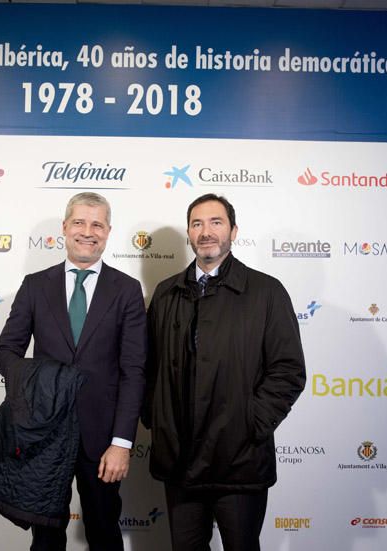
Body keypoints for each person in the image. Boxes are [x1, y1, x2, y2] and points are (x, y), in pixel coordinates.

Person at [143, 193, 306, 551]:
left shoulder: (266, 291)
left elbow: (288, 370)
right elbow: (147, 367)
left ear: (233, 231)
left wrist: (250, 423)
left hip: (240, 462)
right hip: (180, 461)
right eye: (197, 223)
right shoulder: (166, 293)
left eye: (216, 222)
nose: (206, 232)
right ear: (188, 233)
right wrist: (160, 420)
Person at [0, 192, 147, 551]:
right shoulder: (35, 285)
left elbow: (134, 371)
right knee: (45, 539)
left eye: (97, 224)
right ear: (65, 228)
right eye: (79, 222)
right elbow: (5, 352)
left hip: (102, 439)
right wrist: (39, 382)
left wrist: (122, 443)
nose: (87, 231)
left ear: (108, 232)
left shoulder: (126, 290)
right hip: (44, 435)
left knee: (104, 534)